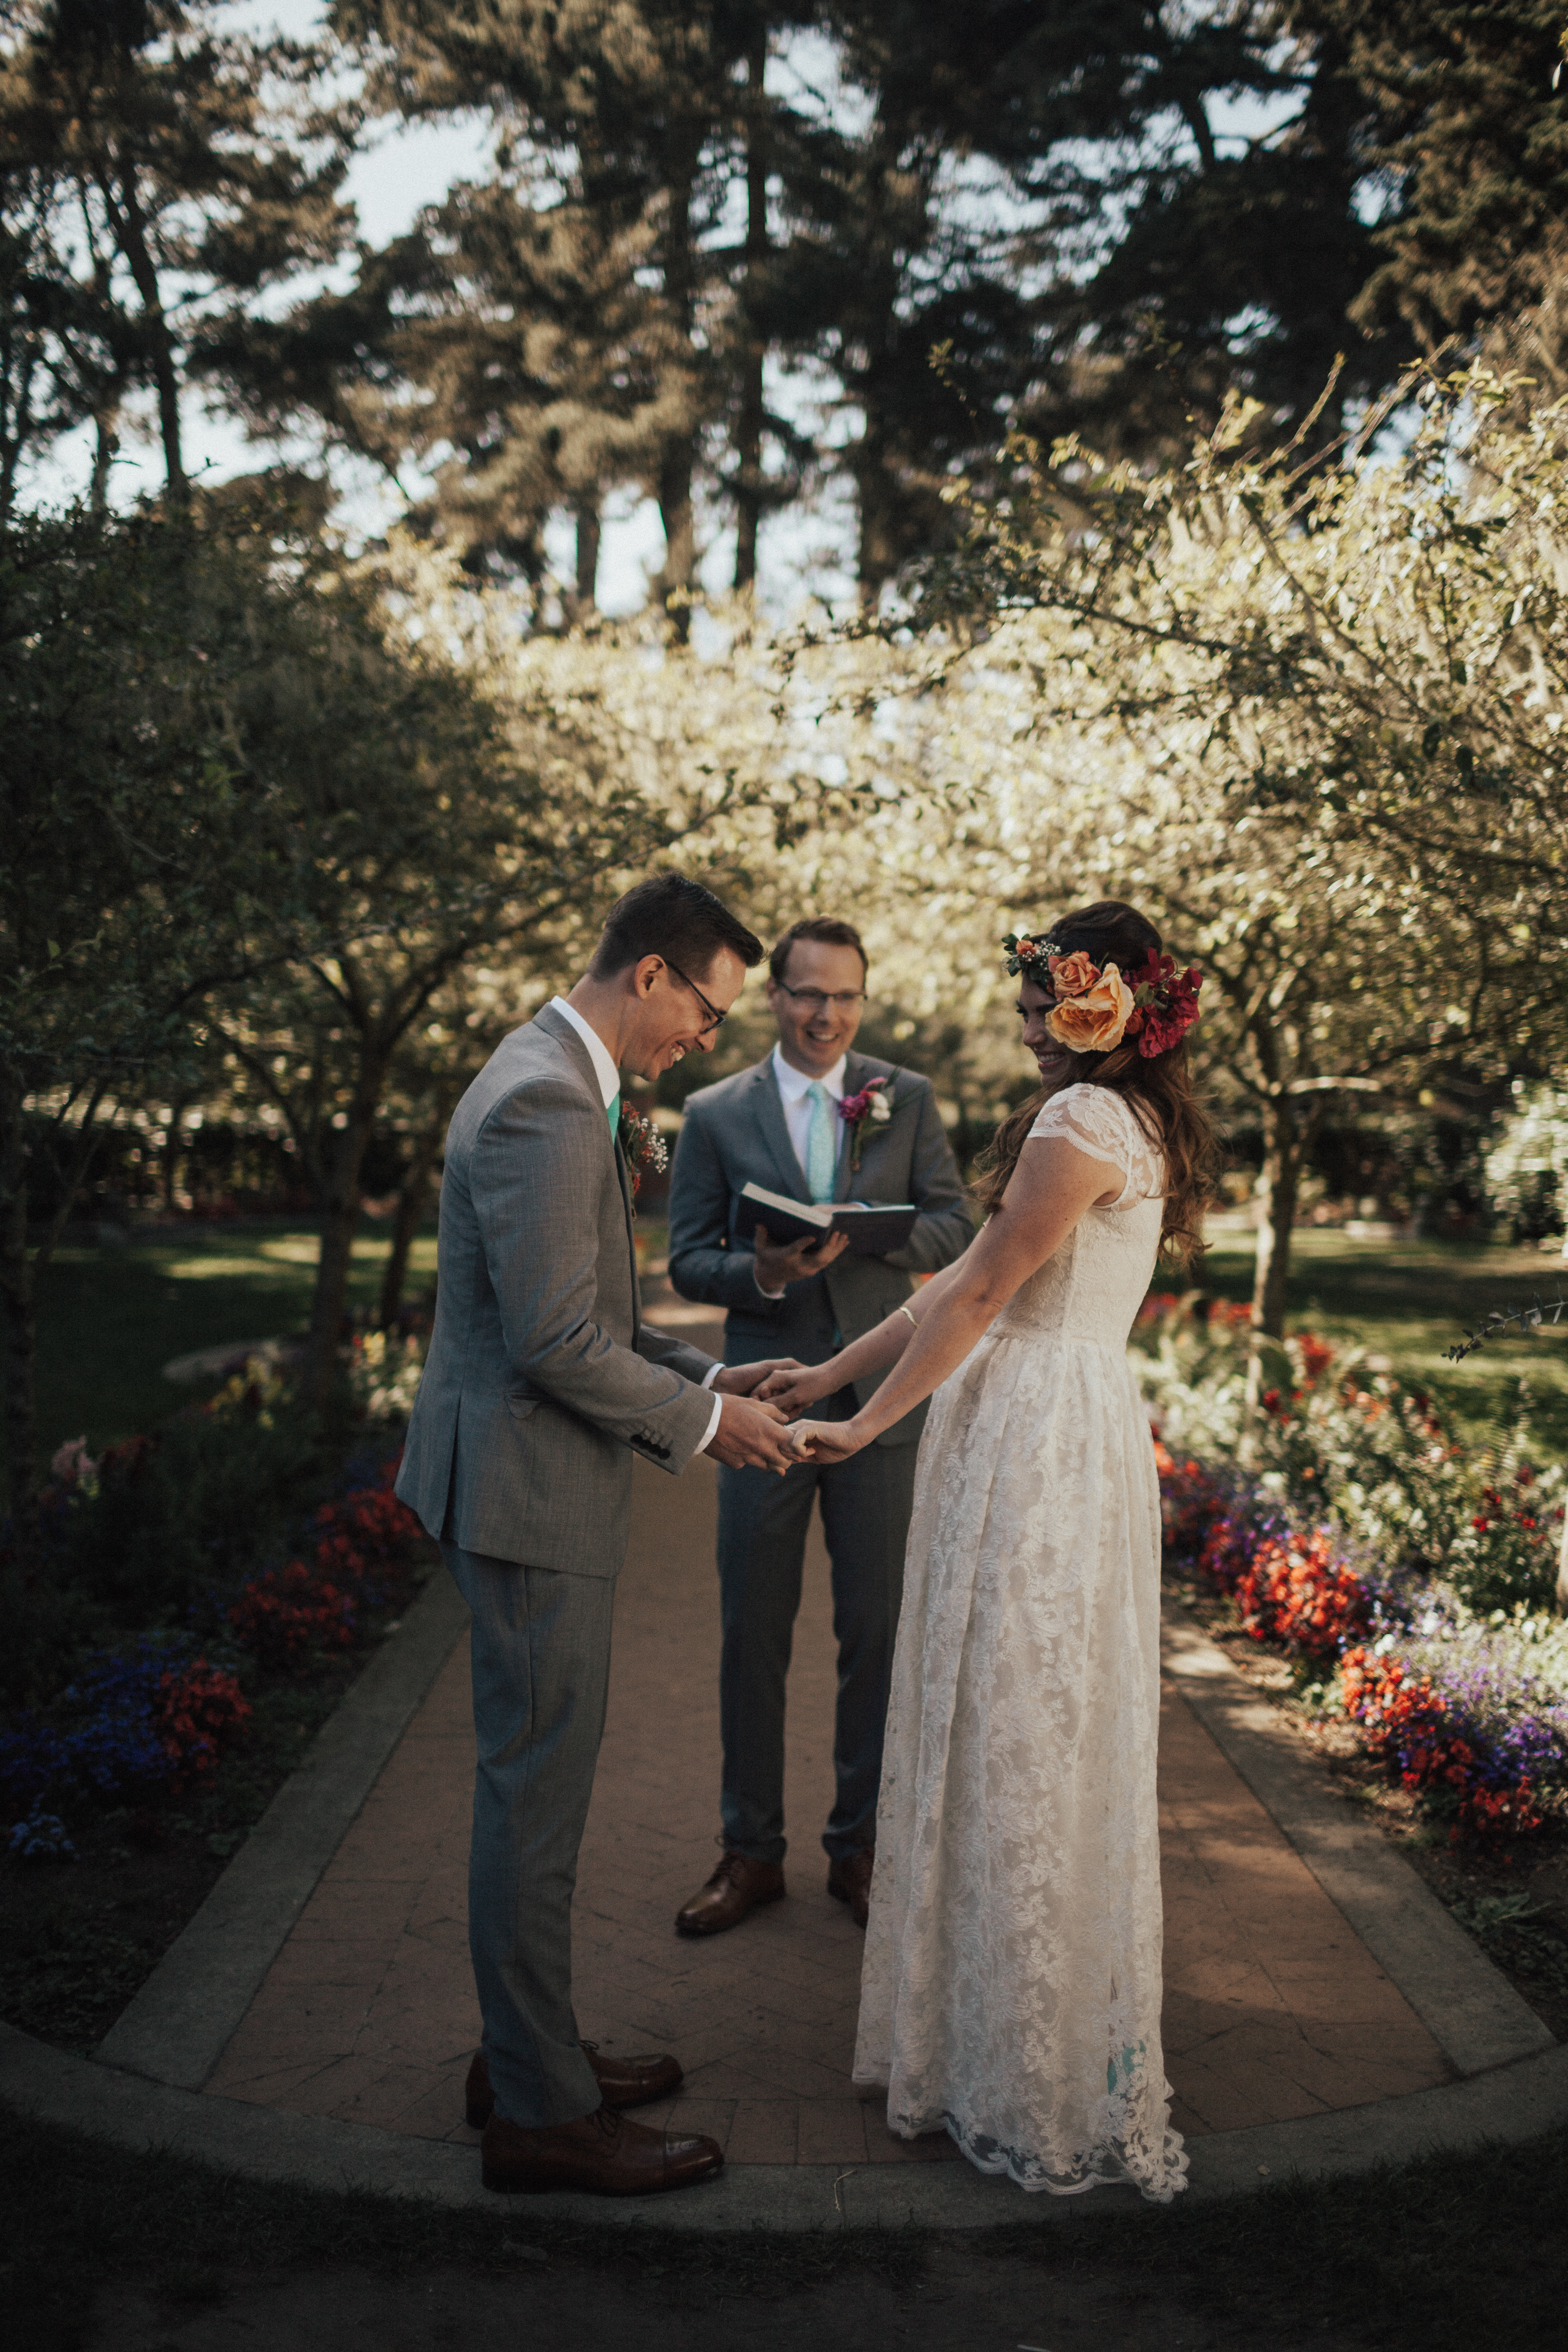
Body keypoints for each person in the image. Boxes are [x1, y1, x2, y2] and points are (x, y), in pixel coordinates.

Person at [763, 901, 1212, 2201]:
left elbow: (978, 1294)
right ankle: (984, 2040)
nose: (1023, 1028)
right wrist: (827, 1374)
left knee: (1016, 1725)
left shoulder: (1082, 1124)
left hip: (1034, 1446)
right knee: (1018, 1723)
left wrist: (867, 1425)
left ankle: (1017, 2059)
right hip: (1056, 1427)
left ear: (1104, 1009)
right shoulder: (1130, 1121)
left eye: (1039, 1005)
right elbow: (951, 1287)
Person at [396, 874, 803, 2198]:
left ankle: (527, 2056)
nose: (711, 1037)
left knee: (538, 1787)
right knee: (537, 1799)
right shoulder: (546, 1102)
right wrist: (703, 1434)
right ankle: (539, 2116)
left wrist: (703, 1382)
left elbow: (594, 1312)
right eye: (708, 1009)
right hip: (525, 1498)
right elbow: (553, 1344)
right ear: (650, 976)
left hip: (531, 1483)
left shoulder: (561, 1079)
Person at [665, 917, 972, 1937]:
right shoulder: (712, 1111)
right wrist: (763, 1269)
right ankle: (749, 1852)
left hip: (880, 1405)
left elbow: (956, 1225)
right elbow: (685, 1262)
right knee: (753, 1631)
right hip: (761, 1405)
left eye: (844, 997)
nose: (824, 1015)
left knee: (875, 1633)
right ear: (773, 997)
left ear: (863, 999)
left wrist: (862, 1239)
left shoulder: (909, 1097)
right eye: (805, 994)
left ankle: (863, 1847)